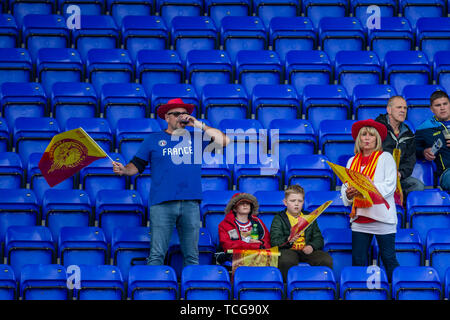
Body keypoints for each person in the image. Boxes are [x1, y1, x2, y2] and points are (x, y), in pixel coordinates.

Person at [112, 98, 230, 267]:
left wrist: (199, 124)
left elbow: (224, 141)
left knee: (192, 256)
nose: (182, 117)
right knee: (157, 254)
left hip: (190, 202)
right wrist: (123, 170)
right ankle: (154, 291)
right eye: (177, 114)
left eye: (185, 114)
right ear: (167, 117)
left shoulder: (196, 137)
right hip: (162, 203)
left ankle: (193, 291)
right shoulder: (153, 139)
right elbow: (136, 165)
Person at [340, 119, 399, 281]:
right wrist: (349, 194)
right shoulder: (352, 161)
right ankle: (359, 293)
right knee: (358, 260)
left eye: (371, 135)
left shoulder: (385, 157)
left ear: (377, 139)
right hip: (360, 218)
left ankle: (397, 292)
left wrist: (363, 188)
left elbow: (389, 186)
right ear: (359, 139)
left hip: (383, 218)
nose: (366, 138)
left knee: (388, 259)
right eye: (363, 135)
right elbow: (346, 187)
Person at [270, 184, 333, 281]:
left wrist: (312, 246)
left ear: (303, 202)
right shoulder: (279, 218)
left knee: (325, 259)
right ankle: (287, 289)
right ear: (285, 202)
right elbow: (274, 241)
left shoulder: (309, 217)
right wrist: (288, 240)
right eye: (292, 201)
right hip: (288, 250)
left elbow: (318, 238)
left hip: (306, 250)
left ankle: (320, 287)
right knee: (286, 260)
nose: (296, 204)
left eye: (299, 201)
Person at [375, 95, 424, 199]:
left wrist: (400, 174)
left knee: (417, 186)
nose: (403, 111)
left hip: (398, 177)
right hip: (378, 176)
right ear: (389, 110)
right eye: (399, 107)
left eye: (405, 108)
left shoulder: (408, 133)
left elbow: (410, 160)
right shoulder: (376, 128)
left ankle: (398, 206)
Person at [415, 90, 450, 192]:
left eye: (445, 104)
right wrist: (423, 152)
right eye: (438, 105)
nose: (442, 108)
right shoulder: (424, 128)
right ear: (431, 109)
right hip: (447, 172)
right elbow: (412, 149)